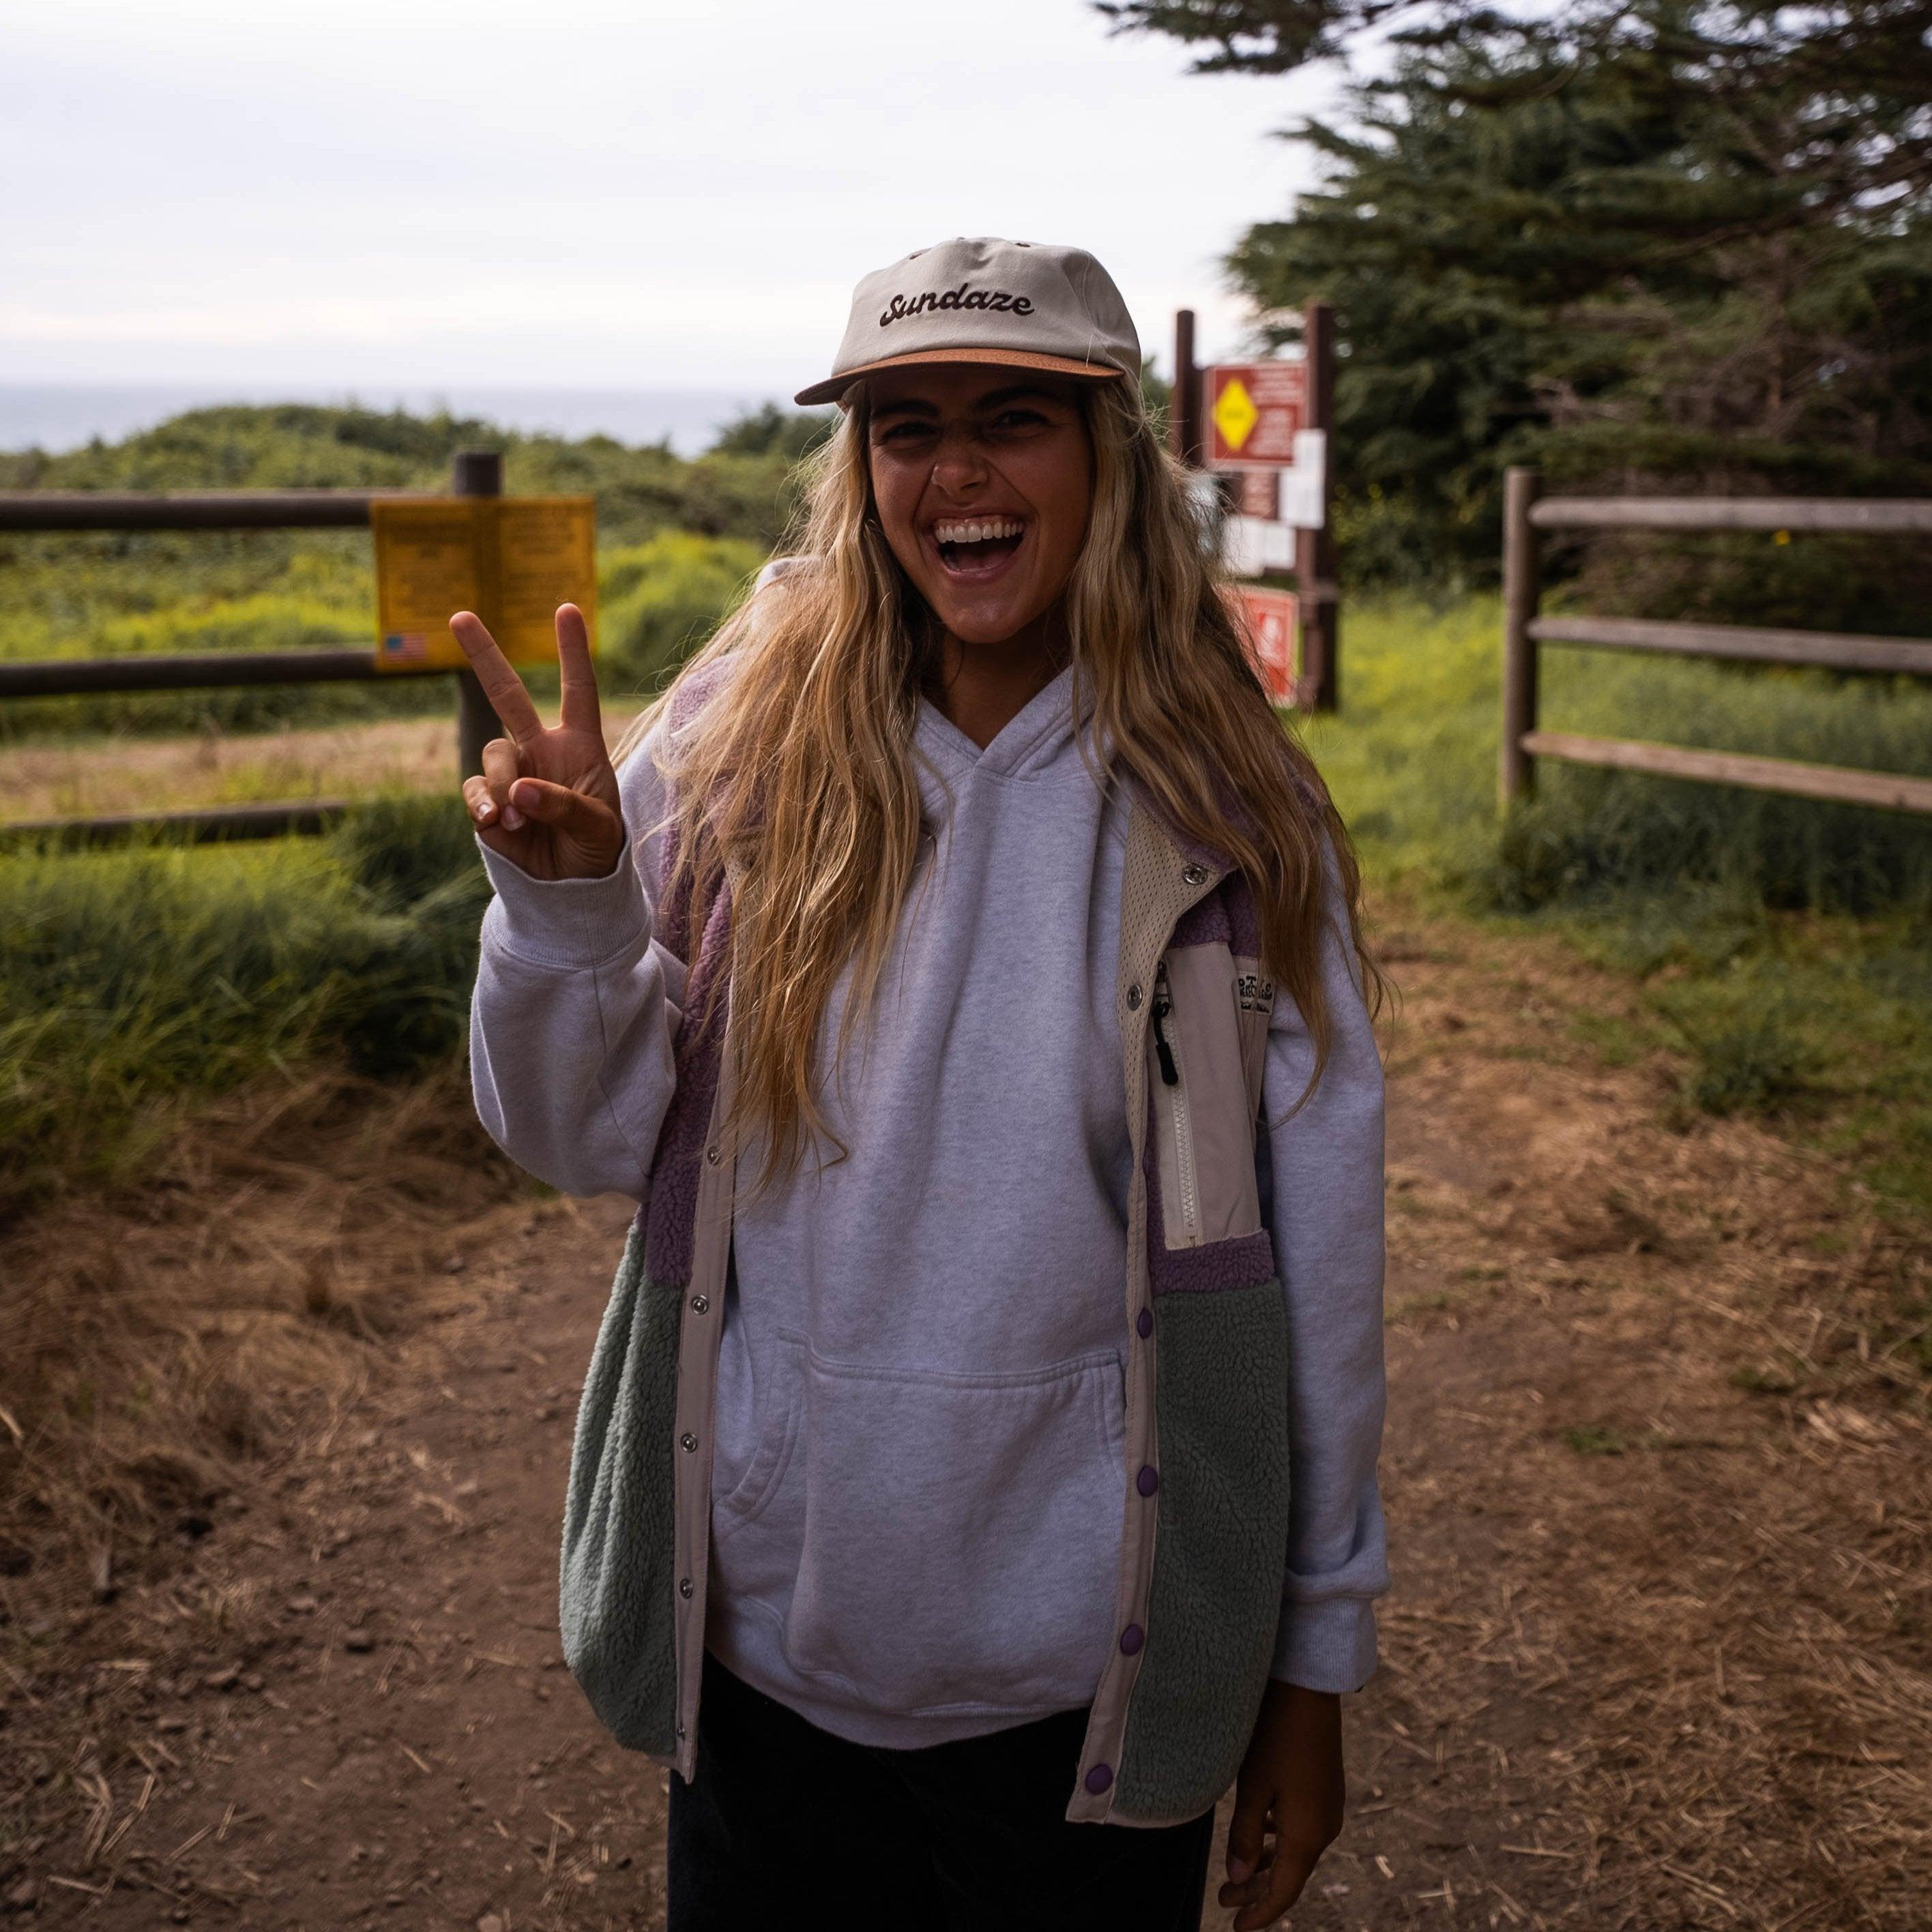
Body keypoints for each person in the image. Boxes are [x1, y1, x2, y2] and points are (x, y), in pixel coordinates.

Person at [455, 236, 1389, 1932]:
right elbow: (576, 1140)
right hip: (765, 1655)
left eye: (1014, 416)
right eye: (905, 424)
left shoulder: (1233, 817)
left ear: (1108, 453)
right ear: (858, 466)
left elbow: (1316, 1271)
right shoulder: (742, 744)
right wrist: (573, 909)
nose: (955, 470)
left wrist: (1308, 1671)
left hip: (1081, 1682)